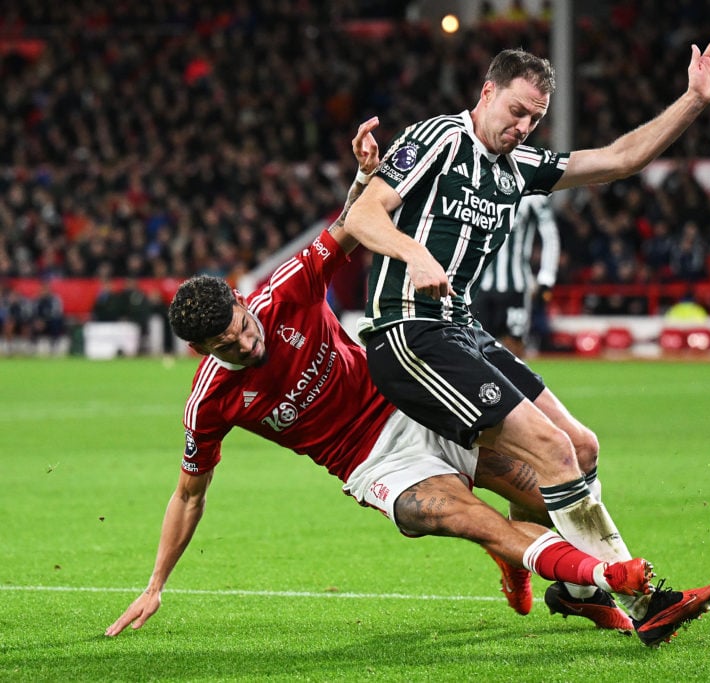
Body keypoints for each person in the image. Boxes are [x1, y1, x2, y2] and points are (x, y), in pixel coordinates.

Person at [104, 123, 671, 643]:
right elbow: (189, 494)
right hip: (374, 464)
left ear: (238, 299)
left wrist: (361, 179)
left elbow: (350, 229)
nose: (247, 342)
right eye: (227, 346)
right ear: (199, 350)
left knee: (544, 493)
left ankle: (568, 589)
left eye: (242, 326)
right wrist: (156, 583)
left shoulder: (282, 292)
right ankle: (605, 578)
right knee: (475, 519)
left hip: (413, 404)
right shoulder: (210, 401)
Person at [343, 31, 710, 646]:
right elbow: (364, 215)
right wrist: (413, 253)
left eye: (536, 118)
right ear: (487, 92)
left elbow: (619, 159)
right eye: (516, 111)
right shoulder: (440, 138)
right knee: (549, 450)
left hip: (464, 329)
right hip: (408, 332)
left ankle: (577, 592)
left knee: (580, 447)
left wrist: (693, 100)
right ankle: (640, 599)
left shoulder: (516, 168)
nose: (524, 127)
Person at [470, 194, 560, 357]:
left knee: (514, 346)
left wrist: (546, 277)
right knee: (477, 347)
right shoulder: (479, 185)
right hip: (479, 286)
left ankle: (516, 383)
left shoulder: (534, 194)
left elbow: (550, 235)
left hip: (516, 286)